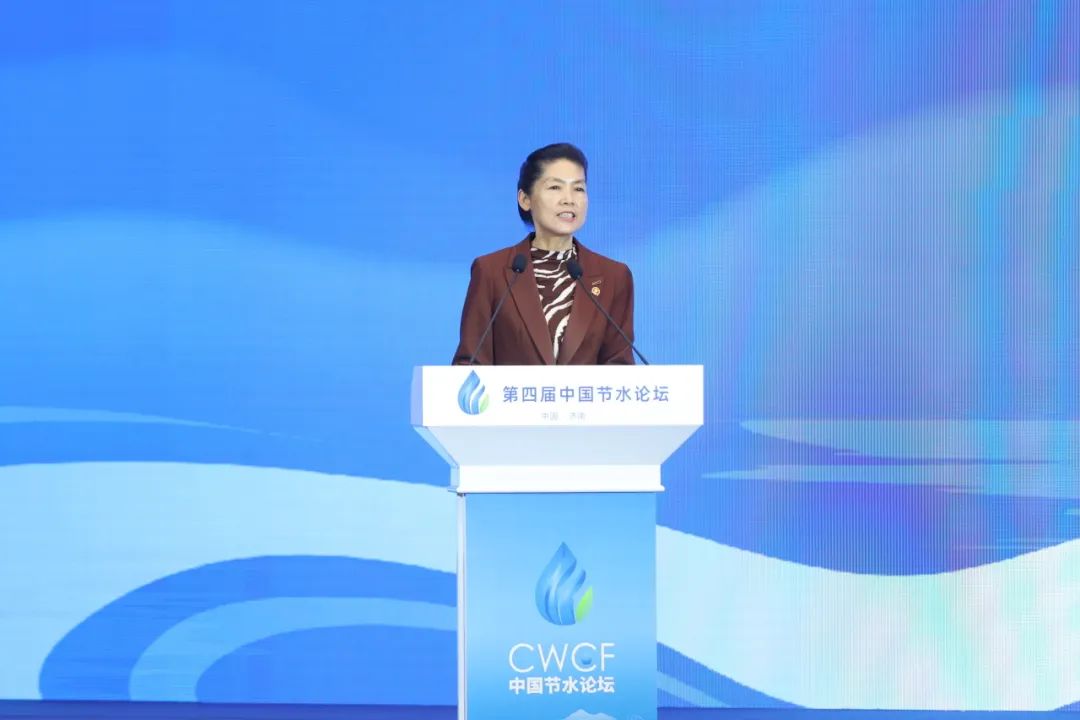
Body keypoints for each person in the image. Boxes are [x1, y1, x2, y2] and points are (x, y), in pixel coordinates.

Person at [452, 143, 635, 365]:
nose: (569, 199)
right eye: (555, 187)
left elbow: (619, 367)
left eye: (578, 188)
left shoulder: (614, 276)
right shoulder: (491, 271)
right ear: (525, 199)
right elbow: (470, 365)